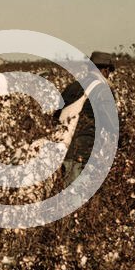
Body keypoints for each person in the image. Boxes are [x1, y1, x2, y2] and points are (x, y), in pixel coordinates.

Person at [54, 51, 118, 186]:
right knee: (76, 195)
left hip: (61, 147)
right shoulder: (103, 89)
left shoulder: (73, 86)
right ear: (106, 71)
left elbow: (56, 116)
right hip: (82, 151)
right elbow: (112, 124)